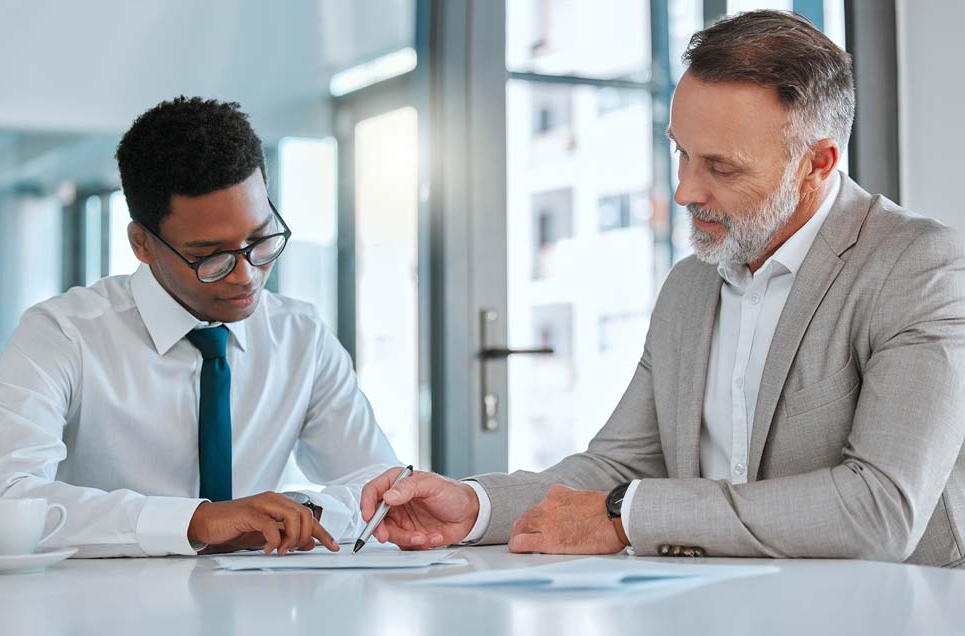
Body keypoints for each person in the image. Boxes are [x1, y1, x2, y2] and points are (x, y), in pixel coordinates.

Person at [360, 10, 965, 566]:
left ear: (818, 163)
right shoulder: (690, 284)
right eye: (681, 154)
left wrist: (628, 516)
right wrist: (475, 504)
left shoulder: (919, 268)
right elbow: (620, 465)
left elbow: (881, 508)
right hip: (721, 606)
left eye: (720, 167)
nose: (684, 192)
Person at [0, 97, 400, 558]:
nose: (245, 274)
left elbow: (386, 492)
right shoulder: (61, 335)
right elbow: (0, 498)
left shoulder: (301, 337)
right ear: (142, 245)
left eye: (259, 239)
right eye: (211, 255)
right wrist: (195, 521)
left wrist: (300, 510)